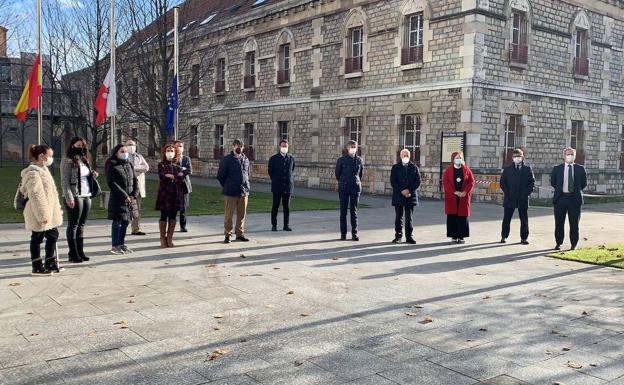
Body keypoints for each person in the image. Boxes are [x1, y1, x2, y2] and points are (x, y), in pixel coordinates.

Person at [19, 144, 63, 275]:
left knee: (53, 235)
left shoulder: (44, 170)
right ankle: (37, 265)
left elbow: (51, 193)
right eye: (49, 155)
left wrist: (56, 209)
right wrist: (42, 215)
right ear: (41, 156)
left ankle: (50, 262)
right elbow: (36, 196)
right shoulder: (33, 173)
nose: (51, 158)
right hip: (38, 211)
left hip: (50, 210)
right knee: (37, 237)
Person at [60, 137, 98, 263]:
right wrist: (69, 197)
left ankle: (80, 252)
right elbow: (65, 182)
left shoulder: (84, 160)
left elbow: (85, 176)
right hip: (75, 195)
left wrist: (93, 175)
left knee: (81, 225)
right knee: (73, 225)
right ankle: (73, 253)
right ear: (72, 146)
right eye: (78, 145)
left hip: (86, 194)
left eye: (83, 145)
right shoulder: (67, 161)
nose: (81, 147)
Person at [550, 147, 587, 250]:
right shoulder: (557, 168)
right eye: (567, 154)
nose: (569, 156)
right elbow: (553, 182)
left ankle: (573, 244)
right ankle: (558, 243)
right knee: (559, 223)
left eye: (571, 154)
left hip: (574, 199)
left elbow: (583, 184)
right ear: (564, 156)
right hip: (560, 198)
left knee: (574, 224)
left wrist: (574, 191)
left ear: (574, 156)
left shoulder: (580, 169)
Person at [105, 144, 139, 255]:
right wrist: (125, 196)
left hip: (130, 199)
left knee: (126, 222)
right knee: (117, 222)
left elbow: (135, 180)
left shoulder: (129, 164)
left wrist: (134, 194)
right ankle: (115, 245)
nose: (125, 153)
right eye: (122, 151)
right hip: (118, 198)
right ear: (116, 153)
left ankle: (121, 244)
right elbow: (112, 183)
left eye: (126, 151)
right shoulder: (112, 165)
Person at [217, 139, 251, 244]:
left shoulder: (246, 159)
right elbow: (220, 176)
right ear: (233, 146)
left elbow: (247, 174)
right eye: (237, 146)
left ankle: (240, 234)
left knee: (241, 215)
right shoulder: (227, 159)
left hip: (243, 191)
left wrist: (246, 185)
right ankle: (228, 235)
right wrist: (227, 185)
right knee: (229, 215)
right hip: (230, 192)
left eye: (241, 146)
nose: (239, 148)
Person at [500, 148, 535, 245]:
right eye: (515, 156)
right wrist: (508, 192)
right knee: (507, 219)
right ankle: (504, 236)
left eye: (519, 156)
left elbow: (532, 183)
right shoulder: (507, 169)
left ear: (522, 157)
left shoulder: (528, 169)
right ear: (512, 158)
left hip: (522, 198)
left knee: (524, 220)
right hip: (510, 198)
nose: (517, 158)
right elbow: (502, 183)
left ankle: (524, 238)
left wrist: (526, 193)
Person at [155, 144, 185, 248]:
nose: (170, 152)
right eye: (168, 150)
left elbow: (181, 179)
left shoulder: (178, 166)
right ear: (164, 152)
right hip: (165, 193)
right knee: (164, 215)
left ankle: (170, 238)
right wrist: (175, 177)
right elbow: (162, 177)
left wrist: (172, 177)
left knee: (173, 216)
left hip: (176, 194)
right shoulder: (161, 165)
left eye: (172, 150)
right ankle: (162, 238)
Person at [443, 151, 475, 244]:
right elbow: (446, 183)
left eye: (460, 158)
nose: (458, 159)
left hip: (463, 197)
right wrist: (455, 192)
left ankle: (461, 236)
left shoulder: (467, 170)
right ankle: (453, 236)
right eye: (456, 158)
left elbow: (471, 182)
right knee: (452, 217)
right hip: (452, 196)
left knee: (462, 217)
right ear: (453, 159)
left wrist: (465, 191)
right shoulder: (448, 170)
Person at [390, 149, 421, 244]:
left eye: (407, 155)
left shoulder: (414, 167)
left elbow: (418, 181)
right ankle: (398, 236)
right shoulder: (395, 167)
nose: (405, 157)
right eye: (403, 155)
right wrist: (402, 191)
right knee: (398, 217)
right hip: (399, 195)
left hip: (410, 195)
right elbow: (393, 182)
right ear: (400, 156)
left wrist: (409, 190)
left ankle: (409, 237)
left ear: (410, 156)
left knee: (409, 218)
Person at [335, 140, 363, 241]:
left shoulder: (359, 160)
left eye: (354, 146)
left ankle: (354, 234)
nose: (353, 148)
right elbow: (337, 174)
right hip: (344, 188)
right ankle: (343, 234)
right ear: (347, 148)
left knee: (354, 212)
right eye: (351, 146)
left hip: (355, 188)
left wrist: (355, 182)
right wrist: (343, 181)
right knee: (343, 212)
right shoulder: (341, 160)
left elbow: (360, 175)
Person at [268, 139, 295, 232]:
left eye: (286, 146)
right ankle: (274, 225)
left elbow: (292, 170)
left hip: (288, 186)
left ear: (288, 147)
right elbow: (270, 172)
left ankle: (286, 225)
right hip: (277, 186)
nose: (284, 148)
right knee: (275, 206)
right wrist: (276, 179)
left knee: (286, 207)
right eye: (283, 146)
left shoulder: (291, 158)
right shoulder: (273, 158)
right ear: (280, 147)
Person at [127, 139, 149, 236]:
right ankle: (120, 228)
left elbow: (146, 168)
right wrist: (137, 169)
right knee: (124, 210)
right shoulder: (123, 156)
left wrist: (134, 168)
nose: (131, 146)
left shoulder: (139, 156)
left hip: (138, 187)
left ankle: (135, 229)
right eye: (129, 145)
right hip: (127, 187)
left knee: (137, 209)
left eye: (133, 145)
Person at [174, 140, 192, 232]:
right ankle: (171, 225)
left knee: (183, 207)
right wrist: (180, 170)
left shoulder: (186, 159)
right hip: (174, 186)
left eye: (181, 146)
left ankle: (183, 226)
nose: (179, 148)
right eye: (177, 146)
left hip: (185, 185)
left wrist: (182, 172)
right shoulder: (172, 159)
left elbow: (189, 170)